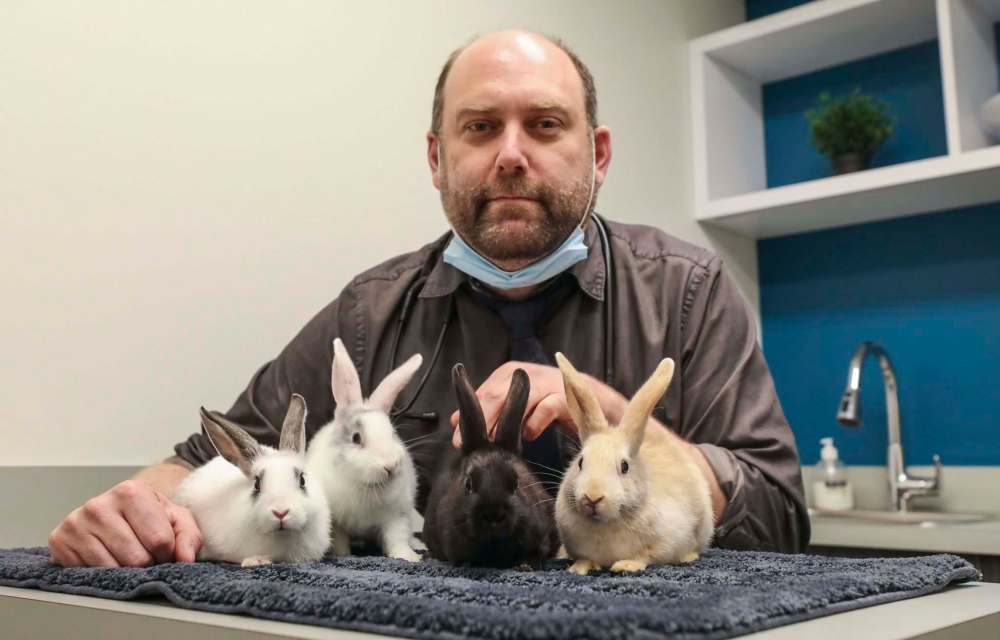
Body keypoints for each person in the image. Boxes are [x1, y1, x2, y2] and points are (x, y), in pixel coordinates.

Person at [48, 30, 810, 568]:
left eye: (545, 125)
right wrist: (131, 506)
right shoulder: (368, 314)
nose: (512, 154)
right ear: (437, 158)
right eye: (481, 129)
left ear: (598, 153)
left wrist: (615, 425)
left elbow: (779, 512)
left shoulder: (689, 293)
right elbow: (209, 458)